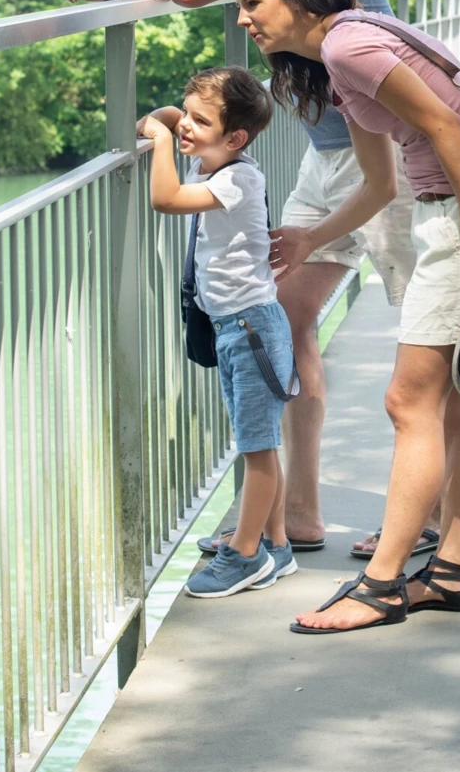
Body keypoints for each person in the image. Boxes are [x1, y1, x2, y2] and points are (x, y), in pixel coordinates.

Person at [52, 0, 415, 554]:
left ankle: (435, 516)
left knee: (426, 339)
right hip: (328, 147)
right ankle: (302, 512)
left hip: (394, 144)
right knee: (283, 318)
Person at [229, 0, 460, 634]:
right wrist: (309, 236)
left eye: (253, 3)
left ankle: (382, 582)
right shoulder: (343, 55)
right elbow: (381, 181)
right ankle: (452, 570)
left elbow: (446, 125)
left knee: (410, 397)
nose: (244, 18)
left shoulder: (347, 48)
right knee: (457, 395)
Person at [137, 67, 299, 597]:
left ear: (236, 139)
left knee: (256, 449)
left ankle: (244, 554)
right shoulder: (215, 160)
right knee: (260, 444)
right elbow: (157, 119)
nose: (184, 125)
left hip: (252, 329)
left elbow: (164, 198)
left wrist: (163, 137)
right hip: (238, 327)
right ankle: (274, 543)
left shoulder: (236, 178)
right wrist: (174, 122)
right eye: (186, 114)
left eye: (199, 121)